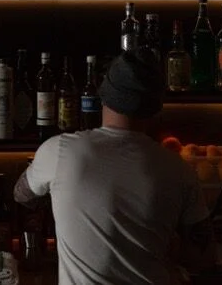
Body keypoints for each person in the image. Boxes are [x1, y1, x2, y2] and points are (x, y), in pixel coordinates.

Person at [14, 51, 211, 285]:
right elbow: (203, 257)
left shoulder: (59, 151)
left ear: (103, 96)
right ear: (156, 107)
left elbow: (21, 194)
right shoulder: (179, 169)